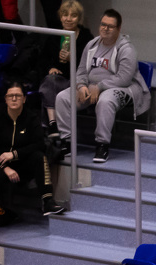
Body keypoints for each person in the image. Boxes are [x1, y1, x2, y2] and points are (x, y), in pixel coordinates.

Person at [52, 8, 148, 165]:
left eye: (110, 26)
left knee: (105, 100)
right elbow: (81, 71)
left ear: (118, 29)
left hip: (124, 88)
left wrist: (99, 86)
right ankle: (67, 142)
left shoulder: (127, 49)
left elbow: (124, 78)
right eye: (103, 24)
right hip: (92, 87)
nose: (105, 28)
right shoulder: (92, 44)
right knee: (62, 98)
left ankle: (102, 145)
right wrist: (81, 86)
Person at [0, 83, 44, 225]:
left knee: (39, 156)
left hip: (21, 162)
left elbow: (40, 144)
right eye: (10, 96)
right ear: (5, 98)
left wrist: (14, 154)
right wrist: (5, 167)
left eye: (18, 96)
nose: (14, 99)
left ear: (24, 99)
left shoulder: (31, 117)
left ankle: (48, 200)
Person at [36, 1, 88, 134]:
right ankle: (52, 124)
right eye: (65, 15)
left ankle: (59, 131)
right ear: (60, 17)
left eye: (73, 15)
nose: (68, 19)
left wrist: (72, 59)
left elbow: (89, 65)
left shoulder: (86, 37)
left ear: (79, 18)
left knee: (57, 90)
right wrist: (50, 68)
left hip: (78, 81)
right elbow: (43, 59)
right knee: (50, 80)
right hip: (59, 79)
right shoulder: (54, 35)